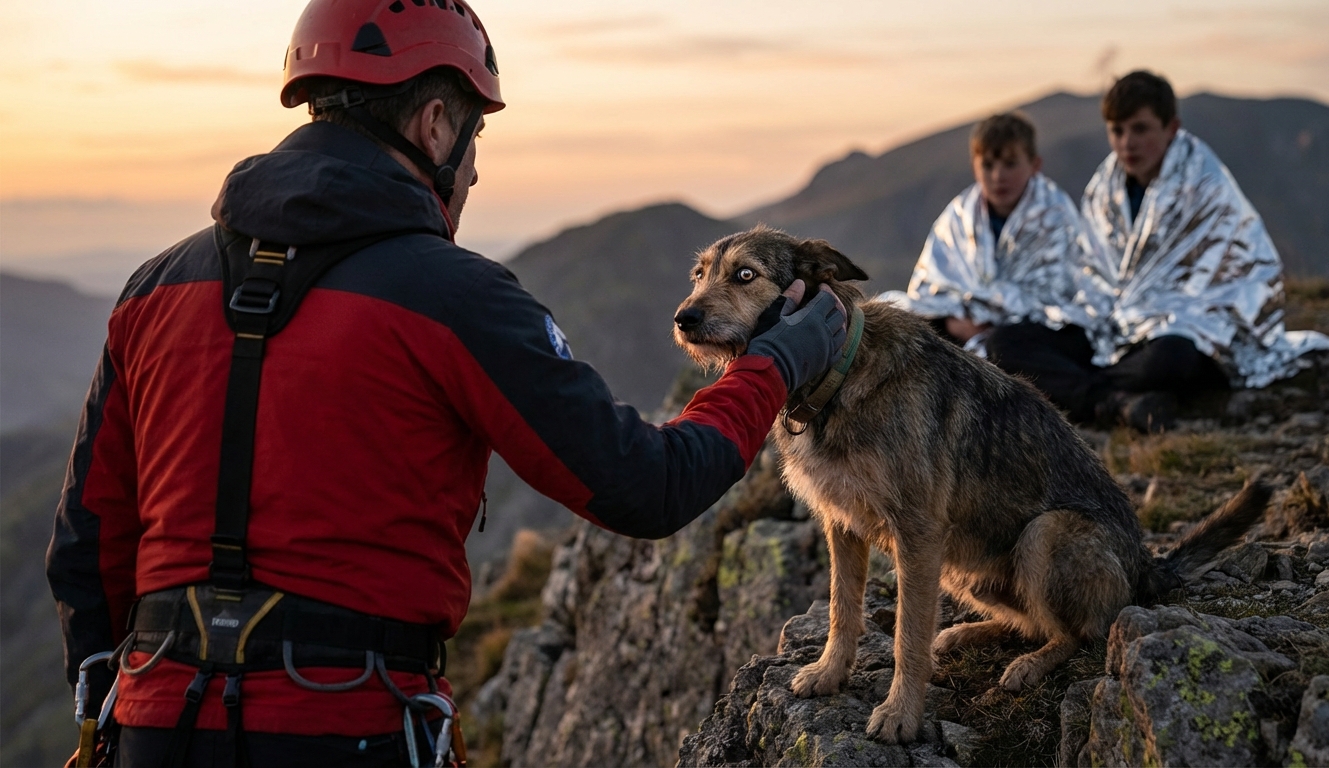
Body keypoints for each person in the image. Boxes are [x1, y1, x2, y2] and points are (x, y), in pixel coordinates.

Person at [45, 1, 845, 765]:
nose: (474, 173)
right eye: (474, 137)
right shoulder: (454, 295)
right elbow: (648, 486)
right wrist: (775, 364)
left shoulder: (154, 288)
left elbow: (87, 543)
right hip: (349, 727)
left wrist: (119, 706)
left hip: (152, 724)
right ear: (435, 125)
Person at [986, 71, 1329, 431]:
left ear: (1171, 128)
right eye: (1117, 131)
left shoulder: (1206, 185)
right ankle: (1115, 400)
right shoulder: (1103, 190)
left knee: (1172, 358)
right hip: (1110, 327)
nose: (1127, 143)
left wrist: (1161, 317)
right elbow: (1089, 273)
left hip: (1178, 332)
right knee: (1005, 342)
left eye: (1140, 129)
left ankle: (1083, 392)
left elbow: (1234, 283)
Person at [879, 113, 1112, 370]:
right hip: (961, 326)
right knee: (890, 309)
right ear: (974, 167)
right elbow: (931, 287)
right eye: (988, 165)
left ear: (1035, 165)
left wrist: (990, 318)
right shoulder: (959, 216)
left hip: (1031, 333)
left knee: (1005, 344)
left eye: (1010, 164)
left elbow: (1060, 298)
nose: (998, 176)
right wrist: (955, 322)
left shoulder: (1056, 215)